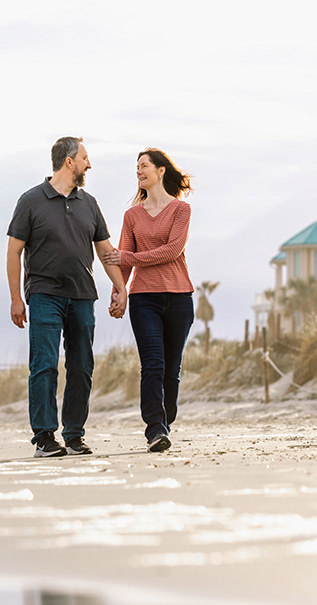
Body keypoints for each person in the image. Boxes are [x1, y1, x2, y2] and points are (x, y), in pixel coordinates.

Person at [7, 136, 127, 457]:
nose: (90, 164)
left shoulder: (90, 204)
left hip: (83, 296)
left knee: (82, 366)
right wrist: (16, 298)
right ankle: (45, 437)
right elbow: (14, 251)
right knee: (44, 365)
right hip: (45, 294)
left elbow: (105, 251)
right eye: (85, 158)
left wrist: (120, 286)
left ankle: (74, 434)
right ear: (69, 161)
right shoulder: (31, 200)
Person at [102, 148, 195, 453]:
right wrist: (120, 291)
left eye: (144, 166)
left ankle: (166, 422)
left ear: (160, 172)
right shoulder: (132, 216)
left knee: (172, 369)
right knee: (152, 363)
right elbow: (123, 261)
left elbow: (172, 250)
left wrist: (128, 257)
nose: (139, 172)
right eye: (137, 167)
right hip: (144, 299)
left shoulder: (181, 210)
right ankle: (155, 429)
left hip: (179, 297)